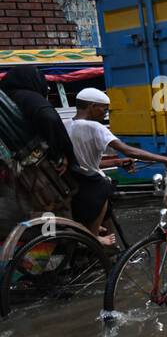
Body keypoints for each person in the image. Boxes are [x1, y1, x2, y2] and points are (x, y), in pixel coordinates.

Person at [0, 65, 115, 246]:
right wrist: (58, 154)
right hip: (44, 171)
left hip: (21, 171)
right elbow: (50, 118)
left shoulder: (10, 98)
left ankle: (85, 228)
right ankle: (91, 239)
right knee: (100, 186)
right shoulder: (30, 98)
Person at [63, 87, 167, 242]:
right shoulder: (95, 127)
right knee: (105, 193)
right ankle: (96, 241)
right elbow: (127, 150)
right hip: (92, 187)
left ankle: (106, 249)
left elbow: (82, 162)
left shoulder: (66, 124)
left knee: (107, 214)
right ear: (91, 107)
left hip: (76, 185)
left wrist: (117, 162)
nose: (105, 113)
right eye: (104, 109)